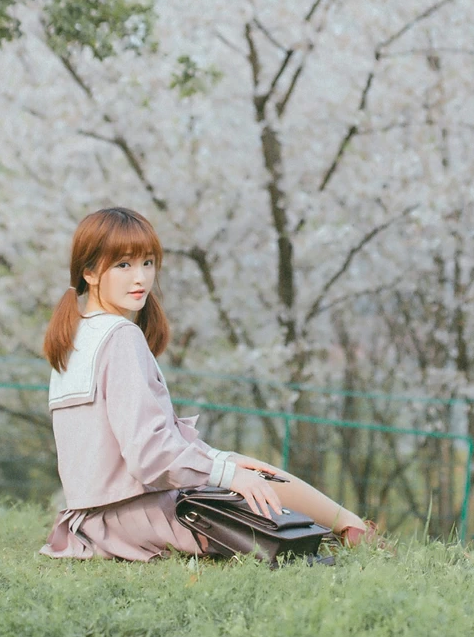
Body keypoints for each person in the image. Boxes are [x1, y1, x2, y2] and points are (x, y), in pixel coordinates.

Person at [40, 206, 373, 560]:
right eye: (123, 265)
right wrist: (225, 475)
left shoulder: (77, 335)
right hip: (137, 518)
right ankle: (354, 531)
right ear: (89, 272)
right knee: (256, 499)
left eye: (147, 263)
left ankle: (351, 528)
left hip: (91, 521)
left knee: (248, 469)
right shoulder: (120, 336)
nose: (140, 278)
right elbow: (149, 457)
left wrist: (221, 463)